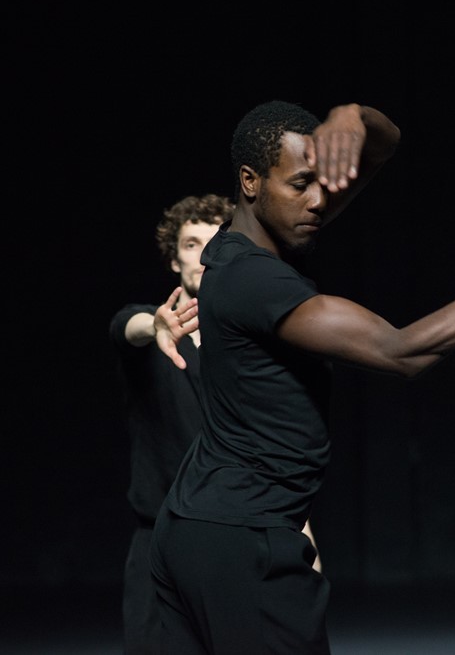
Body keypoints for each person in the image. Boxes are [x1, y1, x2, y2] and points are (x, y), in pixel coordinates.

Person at [149, 100, 455, 655]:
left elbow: (385, 143)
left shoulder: (236, 246)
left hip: (191, 528)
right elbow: (405, 353)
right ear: (250, 182)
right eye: (301, 184)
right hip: (241, 544)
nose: (319, 201)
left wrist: (353, 115)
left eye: (322, 184)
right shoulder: (256, 281)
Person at [110, 193, 321, 654]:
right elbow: (126, 327)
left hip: (241, 540)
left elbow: (274, 443)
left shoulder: (252, 343)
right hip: (160, 541)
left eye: (213, 243)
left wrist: (302, 532)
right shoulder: (152, 335)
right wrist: (155, 325)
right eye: (191, 244)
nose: (203, 254)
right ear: (174, 259)